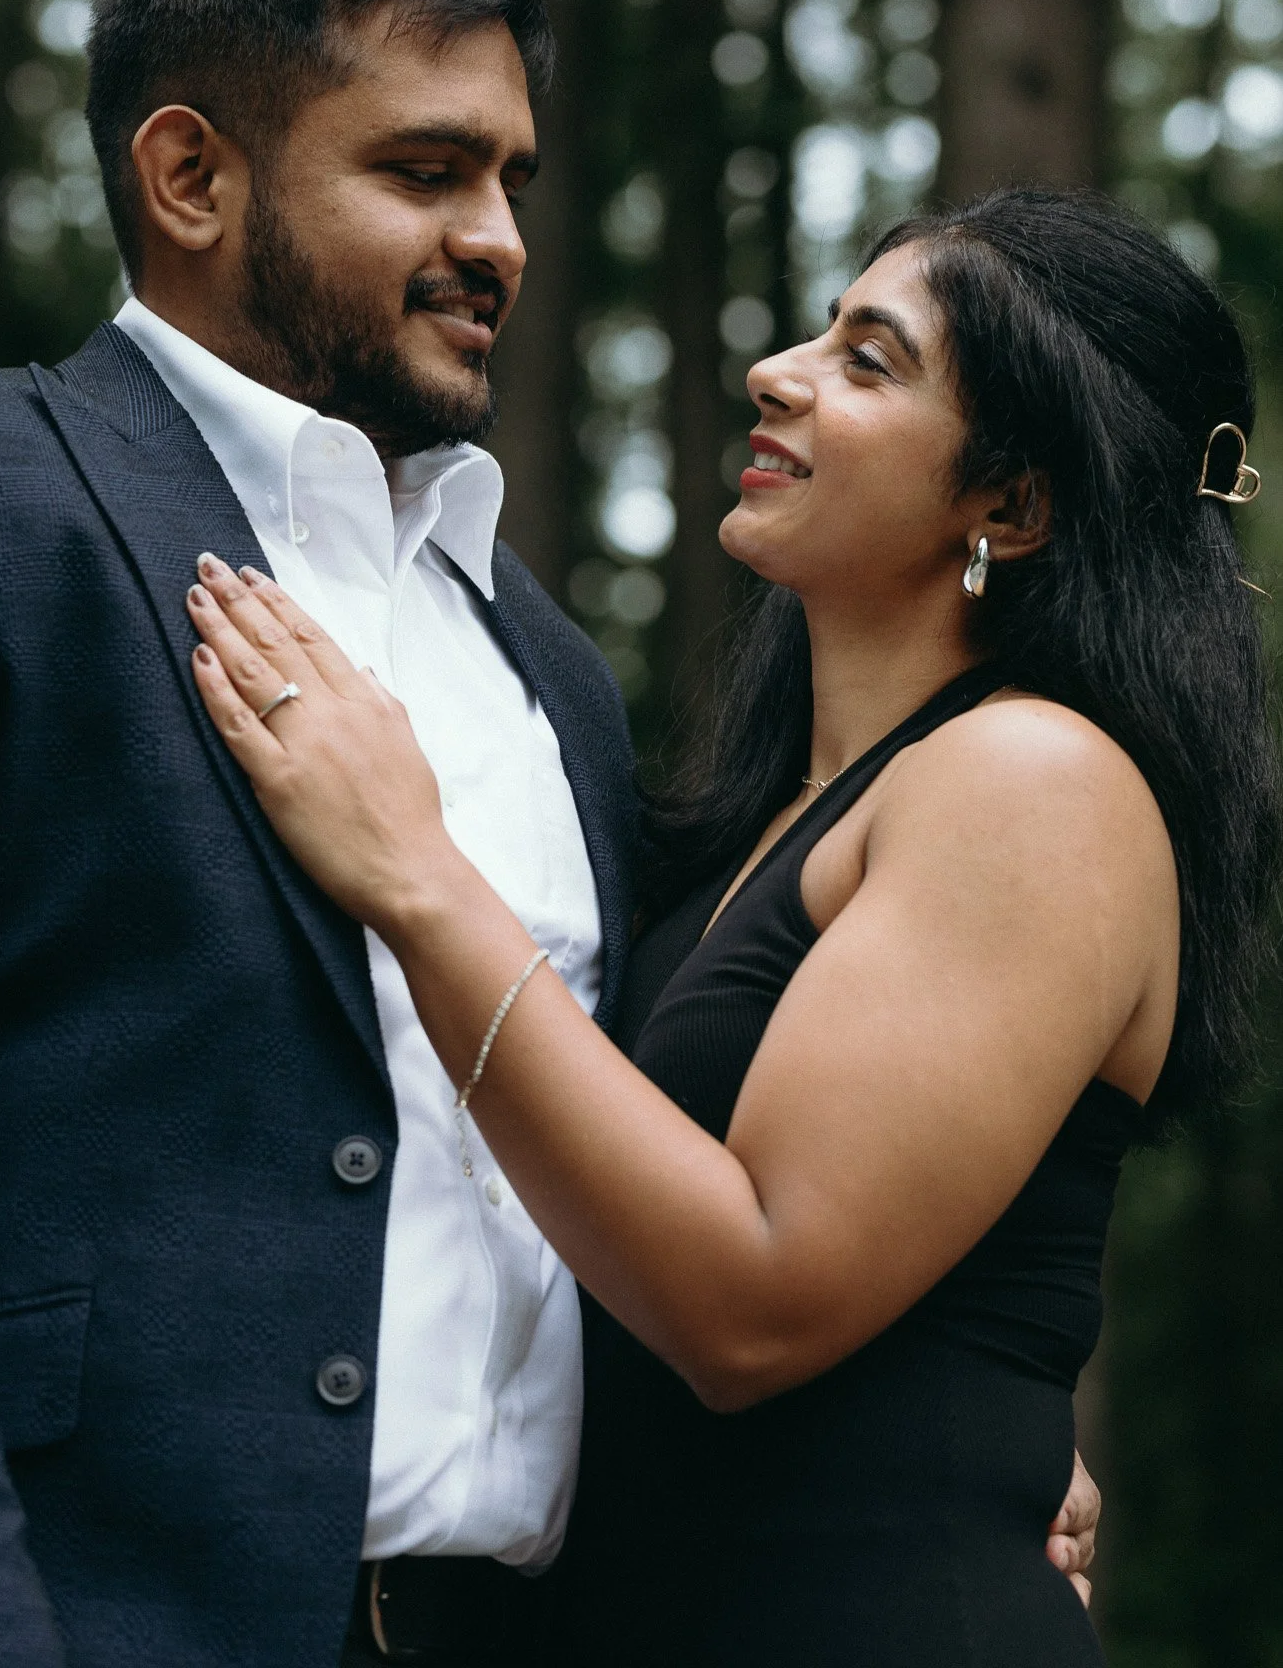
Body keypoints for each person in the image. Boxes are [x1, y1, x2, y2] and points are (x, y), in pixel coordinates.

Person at [0, 0, 1095, 1668]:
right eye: (425, 171)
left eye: (515, 184)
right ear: (191, 178)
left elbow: (638, 1166)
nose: (503, 238)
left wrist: (921, 1424)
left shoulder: (543, 663)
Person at [182, 187, 1279, 1666]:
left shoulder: (1034, 781)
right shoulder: (763, 822)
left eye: (870, 360)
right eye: (823, 329)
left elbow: (754, 1303)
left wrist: (416, 876)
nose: (781, 369)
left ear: (1009, 507)